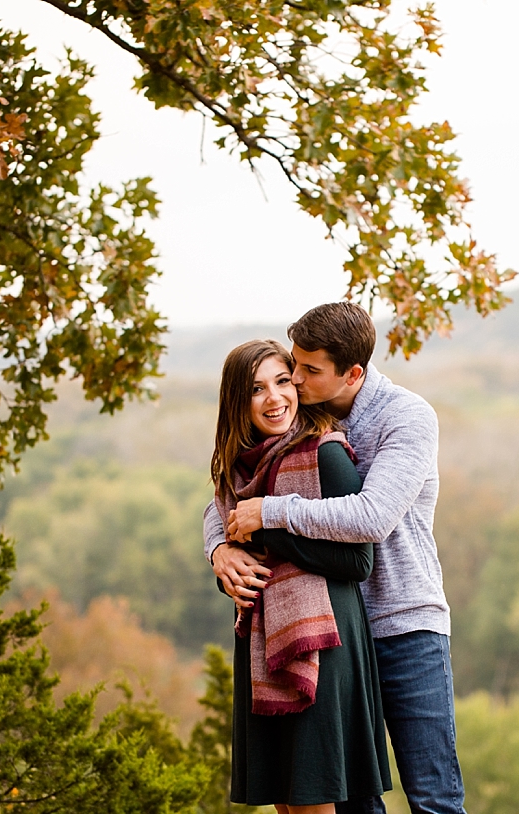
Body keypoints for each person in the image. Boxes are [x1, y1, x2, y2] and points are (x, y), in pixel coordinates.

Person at [206, 303, 466, 814]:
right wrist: (220, 545)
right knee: (354, 801)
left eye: (307, 370)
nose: (295, 380)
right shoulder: (302, 418)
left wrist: (271, 513)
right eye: (293, 366)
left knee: (433, 796)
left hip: (404, 624)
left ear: (352, 373)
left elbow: (371, 517)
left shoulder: (404, 417)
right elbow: (233, 493)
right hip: (336, 633)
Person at [210, 339, 390, 813]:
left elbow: (358, 563)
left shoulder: (323, 454)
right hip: (262, 642)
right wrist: (222, 553)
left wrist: (270, 530)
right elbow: (231, 536)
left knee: (311, 802)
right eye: (256, 389)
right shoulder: (238, 472)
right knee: (286, 803)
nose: (274, 398)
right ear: (236, 401)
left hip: (321, 640)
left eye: (283, 381)